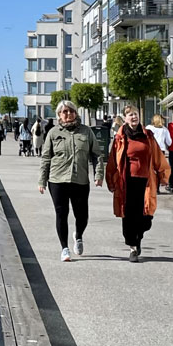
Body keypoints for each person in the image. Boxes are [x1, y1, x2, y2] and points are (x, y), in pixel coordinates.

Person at [39, 100, 104, 262]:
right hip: (57, 180)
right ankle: (64, 248)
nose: (68, 114)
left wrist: (98, 174)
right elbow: (46, 157)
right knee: (61, 214)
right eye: (65, 112)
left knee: (82, 216)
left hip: (80, 180)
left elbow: (96, 155)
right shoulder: (53, 133)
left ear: (76, 113)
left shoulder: (86, 132)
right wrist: (42, 180)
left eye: (71, 111)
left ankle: (79, 235)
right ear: (59, 115)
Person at [106, 106, 170, 262]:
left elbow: (158, 157)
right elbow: (113, 161)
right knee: (128, 214)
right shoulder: (120, 138)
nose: (133, 117)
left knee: (145, 217)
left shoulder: (148, 136)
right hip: (126, 182)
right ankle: (133, 247)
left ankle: (138, 236)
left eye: (135, 114)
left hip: (146, 181)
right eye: (129, 115)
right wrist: (110, 180)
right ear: (125, 119)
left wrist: (163, 176)